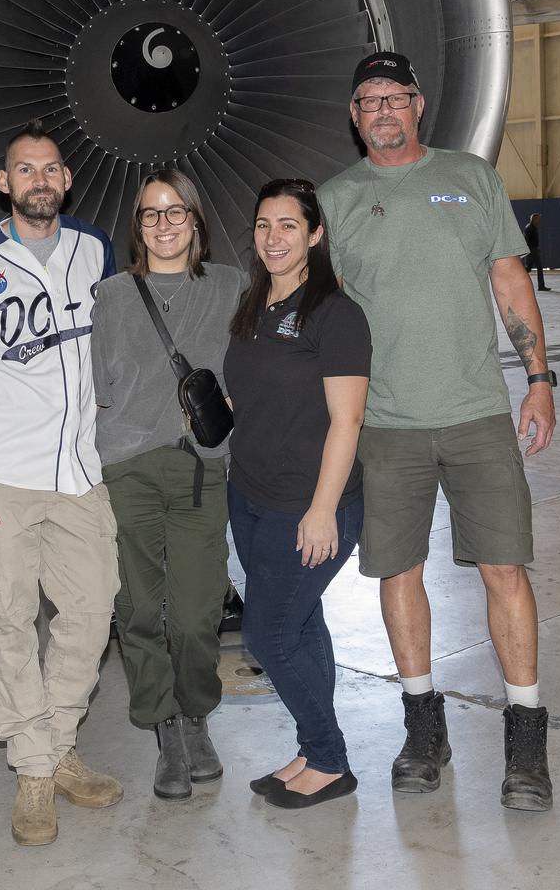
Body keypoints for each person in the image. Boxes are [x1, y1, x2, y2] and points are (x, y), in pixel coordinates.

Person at [318, 51, 557, 812]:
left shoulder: (472, 178)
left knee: (504, 571)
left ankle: (524, 737)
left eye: (394, 97)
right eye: (367, 100)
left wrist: (540, 379)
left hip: (476, 414)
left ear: (417, 105)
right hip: (385, 425)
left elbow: (509, 279)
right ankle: (423, 726)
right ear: (353, 117)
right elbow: (328, 314)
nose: (382, 109)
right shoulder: (336, 199)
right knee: (397, 574)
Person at [0, 120, 122, 848]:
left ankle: (58, 740)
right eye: (24, 170)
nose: (38, 179)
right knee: (8, 623)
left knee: (91, 612)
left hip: (78, 472)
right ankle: (35, 771)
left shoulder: (94, 249)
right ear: (4, 183)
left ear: (65, 180)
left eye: (50, 169)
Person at [90, 169, 244, 801]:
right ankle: (166, 730)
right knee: (138, 611)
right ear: (138, 227)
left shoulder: (231, 288)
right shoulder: (113, 296)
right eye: (150, 214)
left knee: (197, 613)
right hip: (128, 469)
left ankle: (198, 711)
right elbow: (98, 388)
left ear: (195, 219)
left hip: (201, 471)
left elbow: (253, 370)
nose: (163, 224)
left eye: (175, 211)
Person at [224, 178, 371, 810]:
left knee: (267, 636)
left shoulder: (336, 315)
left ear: (314, 234)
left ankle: (330, 757)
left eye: (289, 225)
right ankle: (314, 753)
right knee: (302, 622)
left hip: (307, 504)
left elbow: (347, 420)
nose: (273, 237)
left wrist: (320, 510)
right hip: (250, 494)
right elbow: (255, 393)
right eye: (263, 225)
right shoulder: (252, 305)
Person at [524, 212, 551, 291]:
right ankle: (541, 286)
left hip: (533, 249)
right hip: (531, 250)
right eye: (538, 219)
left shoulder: (533, 227)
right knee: (539, 268)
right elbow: (526, 240)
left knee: (528, 269)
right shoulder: (530, 228)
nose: (539, 221)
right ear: (534, 220)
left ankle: (515, 280)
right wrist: (531, 250)